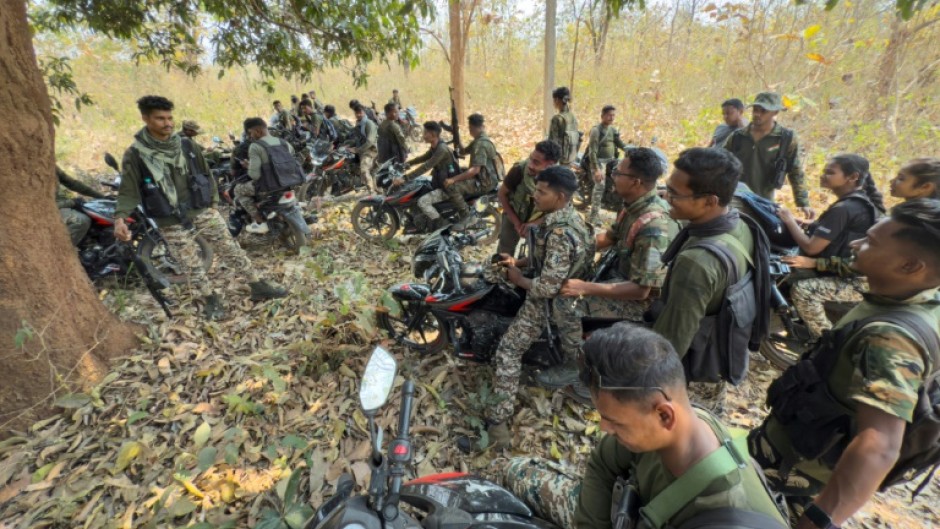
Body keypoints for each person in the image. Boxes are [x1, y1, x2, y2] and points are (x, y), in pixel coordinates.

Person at [750, 199, 940, 529]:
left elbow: (879, 445)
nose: (855, 244)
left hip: (794, 476)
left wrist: (820, 519)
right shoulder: (908, 302)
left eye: (870, 241)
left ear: (910, 266)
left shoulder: (891, 340)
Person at [501, 323, 789, 529]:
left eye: (614, 421)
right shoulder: (671, 428)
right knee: (513, 470)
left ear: (665, 416)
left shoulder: (724, 513)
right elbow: (604, 460)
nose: (604, 427)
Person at [458, 166, 594, 452]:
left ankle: (498, 427)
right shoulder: (573, 221)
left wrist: (518, 278)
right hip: (558, 290)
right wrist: (517, 264)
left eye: (541, 192)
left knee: (507, 351)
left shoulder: (559, 231)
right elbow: (549, 261)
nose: (535, 195)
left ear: (559, 196)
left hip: (546, 302)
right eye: (535, 189)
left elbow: (546, 287)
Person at [115, 96, 286, 319]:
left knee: (230, 248)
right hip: (169, 218)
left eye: (169, 118)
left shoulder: (186, 145)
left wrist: (213, 203)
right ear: (145, 119)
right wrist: (120, 217)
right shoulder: (136, 154)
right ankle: (210, 298)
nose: (167, 123)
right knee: (189, 262)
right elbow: (128, 189)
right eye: (160, 119)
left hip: (201, 209)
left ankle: (257, 285)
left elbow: (206, 174)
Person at [649, 147, 769, 414]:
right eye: (667, 188)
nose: (666, 197)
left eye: (675, 194)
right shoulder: (739, 224)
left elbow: (672, 340)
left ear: (709, 201)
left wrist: (647, 384)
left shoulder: (697, 263)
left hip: (693, 375)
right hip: (721, 358)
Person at [559, 148, 680, 325]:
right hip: (620, 278)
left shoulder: (653, 228)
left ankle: (577, 351)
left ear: (635, 182)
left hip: (640, 304)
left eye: (617, 173)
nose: (613, 176)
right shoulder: (632, 207)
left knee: (563, 306)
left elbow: (641, 291)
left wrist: (585, 288)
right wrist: (568, 246)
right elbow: (608, 238)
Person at [777, 154, 885, 339]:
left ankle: (826, 342)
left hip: (857, 279)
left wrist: (788, 220)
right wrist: (805, 224)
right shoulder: (860, 203)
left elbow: (812, 248)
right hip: (850, 270)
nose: (823, 175)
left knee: (802, 289)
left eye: (830, 172)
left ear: (853, 177)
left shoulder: (845, 208)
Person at [722, 92, 814, 219]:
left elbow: (795, 170)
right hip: (735, 198)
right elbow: (720, 162)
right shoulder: (738, 136)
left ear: (775, 113)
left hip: (764, 201)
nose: (757, 114)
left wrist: (802, 202)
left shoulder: (785, 138)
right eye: (755, 110)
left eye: (763, 111)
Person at [233, 117, 298, 235]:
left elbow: (254, 175)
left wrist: (249, 166)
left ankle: (260, 221)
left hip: (268, 186)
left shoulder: (255, 146)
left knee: (237, 190)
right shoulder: (283, 142)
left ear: (257, 131)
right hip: (288, 182)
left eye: (250, 133)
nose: (250, 136)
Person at [496, 140, 562, 256]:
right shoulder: (519, 170)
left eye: (536, 163)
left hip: (539, 224)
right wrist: (516, 223)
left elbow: (560, 210)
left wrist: (536, 223)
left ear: (550, 165)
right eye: (531, 158)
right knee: (504, 251)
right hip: (512, 217)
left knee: (536, 256)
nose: (530, 165)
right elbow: (502, 194)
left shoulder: (560, 180)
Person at [393, 121, 459, 230]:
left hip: (448, 188)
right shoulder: (436, 147)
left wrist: (405, 178)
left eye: (425, 133)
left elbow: (426, 166)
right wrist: (407, 164)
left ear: (433, 135)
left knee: (422, 202)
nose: (423, 135)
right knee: (419, 188)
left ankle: (441, 225)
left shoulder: (441, 150)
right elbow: (423, 158)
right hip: (439, 182)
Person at [442, 113, 499, 230]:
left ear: (473, 128)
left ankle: (467, 217)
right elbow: (463, 151)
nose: (469, 131)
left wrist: (453, 180)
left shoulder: (481, 144)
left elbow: (475, 170)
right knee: (457, 172)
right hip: (485, 177)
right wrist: (455, 134)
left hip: (484, 182)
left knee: (452, 187)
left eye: (469, 128)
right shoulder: (480, 139)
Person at [584, 105, 629, 224]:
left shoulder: (613, 130)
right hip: (598, 161)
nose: (612, 117)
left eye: (613, 115)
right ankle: (594, 215)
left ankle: (620, 215)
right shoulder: (596, 130)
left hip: (611, 160)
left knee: (624, 180)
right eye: (609, 115)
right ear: (602, 116)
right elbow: (592, 151)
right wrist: (596, 169)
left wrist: (632, 150)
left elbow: (620, 144)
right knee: (600, 186)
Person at [56, 166, 106, 245]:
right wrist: (71, 202)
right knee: (81, 221)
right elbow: (40, 206)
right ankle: (61, 251)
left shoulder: (50, 167)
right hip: (49, 210)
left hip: (61, 204)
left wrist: (103, 197)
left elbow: (73, 183)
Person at [345, 103, 379, 192]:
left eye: (360, 112)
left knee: (364, 169)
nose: (358, 114)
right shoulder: (359, 124)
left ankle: (371, 192)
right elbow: (357, 138)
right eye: (356, 113)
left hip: (371, 150)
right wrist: (348, 145)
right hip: (362, 150)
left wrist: (357, 150)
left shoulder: (369, 124)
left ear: (364, 112)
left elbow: (370, 141)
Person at [547, 87, 579, 166]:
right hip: (570, 158)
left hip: (559, 160)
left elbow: (552, 143)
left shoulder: (557, 118)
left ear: (557, 100)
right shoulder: (573, 117)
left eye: (554, 100)